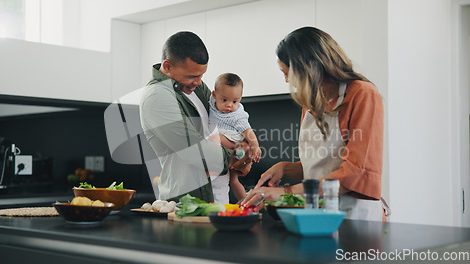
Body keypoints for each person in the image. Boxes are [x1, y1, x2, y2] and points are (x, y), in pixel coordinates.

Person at [241, 26, 386, 221]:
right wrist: (285, 167)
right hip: (318, 214)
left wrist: (288, 192)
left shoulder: (362, 94)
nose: (287, 81)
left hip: (355, 217)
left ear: (308, 68)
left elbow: (356, 174)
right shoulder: (311, 103)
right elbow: (319, 166)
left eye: (288, 73)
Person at [139, 31, 252, 204]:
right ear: (168, 66)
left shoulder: (195, 87)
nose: (199, 82)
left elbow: (227, 119)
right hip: (186, 204)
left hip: (216, 196)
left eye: (201, 75)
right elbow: (197, 153)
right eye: (192, 76)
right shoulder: (157, 97)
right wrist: (241, 157)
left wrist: (244, 144)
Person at [208, 73, 262, 202]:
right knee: (233, 180)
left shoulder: (237, 116)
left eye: (235, 101)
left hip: (232, 139)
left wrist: (255, 146)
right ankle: (245, 202)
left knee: (215, 138)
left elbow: (248, 131)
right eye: (224, 100)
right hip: (234, 149)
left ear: (240, 99)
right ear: (214, 96)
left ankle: (213, 168)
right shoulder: (211, 103)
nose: (229, 106)